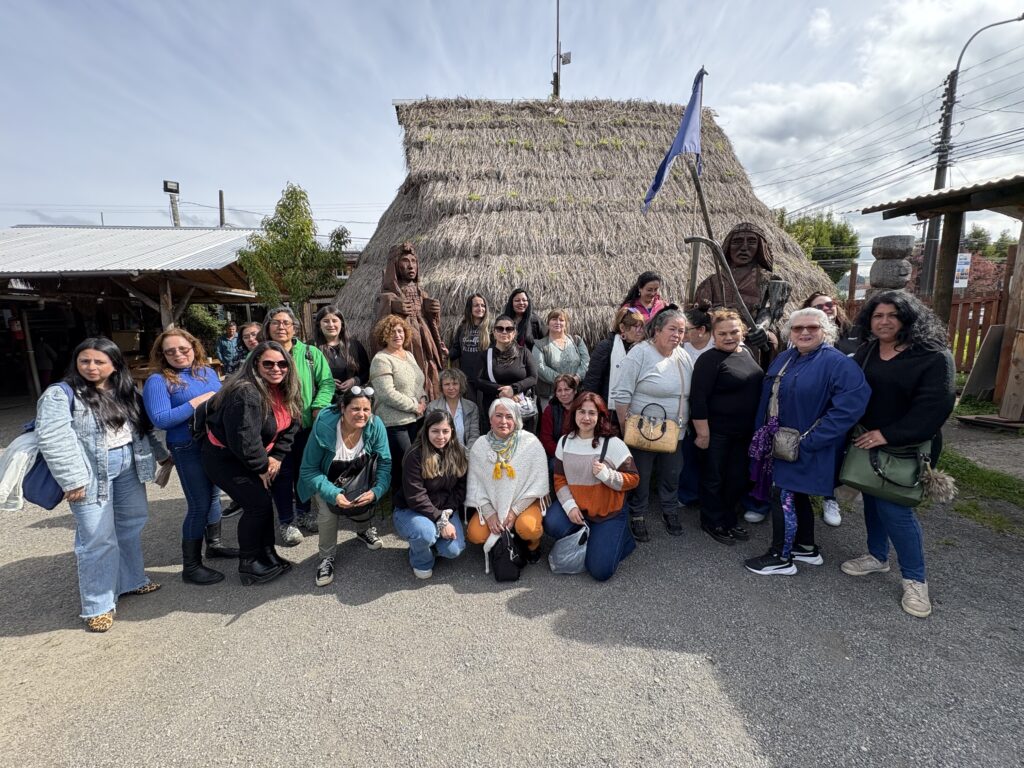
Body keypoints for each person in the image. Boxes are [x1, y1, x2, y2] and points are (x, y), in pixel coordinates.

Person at [35, 338, 170, 632]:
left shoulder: (125, 390)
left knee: (130, 524)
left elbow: (142, 430)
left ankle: (132, 580)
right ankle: (98, 605)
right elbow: (53, 439)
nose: (92, 367)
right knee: (96, 537)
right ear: (76, 362)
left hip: (128, 464)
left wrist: (162, 457)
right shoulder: (61, 394)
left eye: (99, 361)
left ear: (114, 364)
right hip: (89, 471)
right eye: (85, 361)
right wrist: (71, 480)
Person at [841, 291, 955, 619]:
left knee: (897, 509)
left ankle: (915, 580)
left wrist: (887, 435)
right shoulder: (867, 351)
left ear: (908, 318)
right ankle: (877, 556)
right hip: (867, 440)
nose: (885, 321)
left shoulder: (932, 355)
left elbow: (936, 407)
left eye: (892, 315)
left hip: (907, 444)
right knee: (873, 498)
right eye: (878, 316)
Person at [744, 308, 869, 576]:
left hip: (805, 443)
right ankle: (805, 547)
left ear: (826, 331)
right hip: (780, 442)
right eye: (798, 328)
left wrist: (811, 441)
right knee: (796, 493)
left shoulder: (838, 363)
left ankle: (781, 557)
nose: (804, 332)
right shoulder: (787, 357)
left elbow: (850, 406)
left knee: (784, 494)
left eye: (812, 327)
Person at [201, 341, 301, 586]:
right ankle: (248, 563)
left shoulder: (282, 389)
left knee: (264, 504)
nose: (276, 368)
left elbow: (292, 425)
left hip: (255, 456)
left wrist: (276, 457)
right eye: (268, 363)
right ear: (255, 363)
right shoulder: (245, 392)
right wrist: (261, 468)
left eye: (282, 364)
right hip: (225, 458)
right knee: (257, 505)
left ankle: (266, 554)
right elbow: (244, 438)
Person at [143, 328, 236, 587]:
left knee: (214, 495)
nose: (178, 354)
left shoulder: (206, 372)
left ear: (193, 347)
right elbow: (161, 419)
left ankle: (214, 545)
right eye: (170, 351)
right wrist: (196, 402)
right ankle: (191, 566)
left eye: (183, 349)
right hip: (186, 447)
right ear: (162, 355)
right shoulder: (158, 381)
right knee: (199, 503)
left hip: (214, 444)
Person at [610, 307, 694, 542]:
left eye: (681, 330)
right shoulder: (640, 353)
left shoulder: (682, 355)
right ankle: (637, 515)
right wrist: (626, 429)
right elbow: (622, 394)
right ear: (657, 330)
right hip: (643, 430)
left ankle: (670, 511)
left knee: (672, 473)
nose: (678, 334)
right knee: (642, 475)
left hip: (675, 430)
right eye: (672, 329)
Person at [298, 387, 393, 588]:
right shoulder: (324, 426)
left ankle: (363, 530)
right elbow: (308, 470)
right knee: (328, 513)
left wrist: (376, 491)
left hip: (357, 476)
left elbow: (385, 462)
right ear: (343, 407)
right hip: (326, 478)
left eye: (366, 409)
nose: (361, 414)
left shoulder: (375, 425)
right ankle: (326, 558)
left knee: (363, 499)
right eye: (355, 409)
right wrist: (333, 493)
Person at [543, 392, 639, 581]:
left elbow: (634, 479)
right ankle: (592, 534)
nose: (586, 418)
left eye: (592, 413)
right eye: (581, 412)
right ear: (574, 414)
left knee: (599, 571)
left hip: (608, 513)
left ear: (600, 416)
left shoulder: (613, 444)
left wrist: (607, 475)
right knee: (552, 523)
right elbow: (559, 479)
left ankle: (623, 539)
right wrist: (570, 507)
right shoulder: (564, 441)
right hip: (580, 508)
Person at [688, 310, 764, 546]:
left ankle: (729, 517)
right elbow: (698, 399)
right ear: (714, 335)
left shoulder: (748, 353)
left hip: (744, 432)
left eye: (734, 331)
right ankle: (712, 520)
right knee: (714, 478)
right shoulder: (708, 360)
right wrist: (702, 433)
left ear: (742, 331)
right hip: (716, 432)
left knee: (737, 477)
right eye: (723, 333)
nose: (729, 337)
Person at [262, 306, 335, 543]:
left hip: (305, 426)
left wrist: (318, 406)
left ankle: (303, 513)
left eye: (286, 323)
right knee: (281, 474)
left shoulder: (310, 353)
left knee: (304, 473)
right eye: (276, 322)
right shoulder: (261, 355)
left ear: (295, 327)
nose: (281, 327)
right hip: (275, 429)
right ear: (268, 327)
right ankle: (286, 521)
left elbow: (326, 383)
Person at [465, 399, 550, 561]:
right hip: (492, 505)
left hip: (525, 503)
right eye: (498, 416)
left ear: (516, 420)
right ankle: (503, 541)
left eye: (509, 417)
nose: (503, 421)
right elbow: (475, 485)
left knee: (528, 528)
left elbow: (539, 484)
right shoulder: (480, 446)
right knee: (475, 534)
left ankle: (533, 545)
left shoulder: (531, 442)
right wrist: (489, 514)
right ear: (490, 420)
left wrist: (514, 511)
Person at [391, 409, 468, 579]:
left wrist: (447, 512)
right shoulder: (415, 454)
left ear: (452, 432)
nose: (440, 436)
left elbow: (460, 489)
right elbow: (415, 496)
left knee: (454, 550)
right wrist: (440, 520)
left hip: (444, 509)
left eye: (445, 431)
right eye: (435, 431)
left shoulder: (459, 452)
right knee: (425, 533)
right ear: (426, 431)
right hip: (411, 510)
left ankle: (427, 543)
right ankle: (421, 560)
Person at [692, 222, 780, 363]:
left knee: (770, 341)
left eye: (751, 242)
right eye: (737, 242)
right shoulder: (712, 282)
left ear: (760, 247)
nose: (744, 247)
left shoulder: (770, 281)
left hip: (751, 338)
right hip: (716, 339)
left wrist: (761, 327)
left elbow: (770, 310)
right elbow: (696, 312)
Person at [374, 242, 447, 400]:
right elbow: (378, 324)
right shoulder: (388, 295)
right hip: (406, 342)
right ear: (395, 265)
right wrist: (393, 306)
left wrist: (432, 311)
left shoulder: (421, 292)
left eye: (413, 261)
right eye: (405, 261)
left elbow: (434, 324)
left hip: (424, 339)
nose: (411, 266)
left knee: (429, 369)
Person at [368, 314, 427, 502]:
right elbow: (386, 393)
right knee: (403, 465)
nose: (397, 335)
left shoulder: (408, 355)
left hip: (415, 420)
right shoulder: (381, 359)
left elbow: (418, 383)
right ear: (384, 336)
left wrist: (423, 399)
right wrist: (414, 406)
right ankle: (400, 505)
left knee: (415, 463)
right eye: (392, 332)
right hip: (395, 423)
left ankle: (415, 501)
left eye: (400, 331)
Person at [476, 313, 539, 433]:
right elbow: (478, 380)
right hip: (495, 408)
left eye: (509, 329)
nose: (504, 332)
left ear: (514, 332)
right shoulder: (485, 355)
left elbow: (533, 377)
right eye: (500, 328)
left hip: (519, 406)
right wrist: (502, 390)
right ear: (494, 332)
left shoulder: (524, 353)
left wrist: (514, 389)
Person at [581, 306, 647, 420]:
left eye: (642, 326)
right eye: (636, 326)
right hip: (609, 413)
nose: (641, 330)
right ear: (622, 327)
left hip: (637, 413)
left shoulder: (644, 349)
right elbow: (592, 382)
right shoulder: (606, 347)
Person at [677, 305, 714, 507]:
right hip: (690, 407)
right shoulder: (683, 347)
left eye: (687, 329)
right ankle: (688, 493)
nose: (683, 334)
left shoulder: (717, 345)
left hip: (713, 408)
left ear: (701, 330)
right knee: (689, 452)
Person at [533, 308, 589, 410]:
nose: (557, 322)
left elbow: (586, 362)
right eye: (554, 319)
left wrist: (577, 377)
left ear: (566, 323)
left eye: (561, 320)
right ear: (548, 322)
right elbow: (540, 368)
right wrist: (563, 382)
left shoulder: (577, 340)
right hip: (550, 396)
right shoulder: (539, 345)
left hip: (576, 393)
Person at [312, 305, 370, 396]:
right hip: (321, 400)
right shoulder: (311, 347)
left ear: (341, 324)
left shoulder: (354, 346)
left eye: (334, 321)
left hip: (350, 400)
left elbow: (367, 371)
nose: (331, 325)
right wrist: (325, 383)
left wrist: (355, 380)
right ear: (319, 325)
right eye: (326, 321)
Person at [449, 293, 491, 404]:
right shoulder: (462, 328)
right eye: (476, 305)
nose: (480, 308)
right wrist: (447, 353)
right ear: (469, 308)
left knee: (484, 411)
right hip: (467, 378)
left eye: (483, 305)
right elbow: (457, 350)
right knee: (470, 409)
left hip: (485, 379)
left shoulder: (490, 329)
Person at [427, 368, 480, 449]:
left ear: (461, 385)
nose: (451, 388)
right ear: (441, 387)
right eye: (447, 384)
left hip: (465, 454)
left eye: (455, 384)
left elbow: (474, 435)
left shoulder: (471, 407)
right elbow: (431, 435)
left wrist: (466, 455)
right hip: (441, 454)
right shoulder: (432, 407)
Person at [539, 374, 579, 459]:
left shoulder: (582, 409)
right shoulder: (550, 410)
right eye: (559, 390)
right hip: (557, 454)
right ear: (556, 394)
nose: (563, 394)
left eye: (567, 389)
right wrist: (563, 455)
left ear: (575, 391)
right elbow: (546, 439)